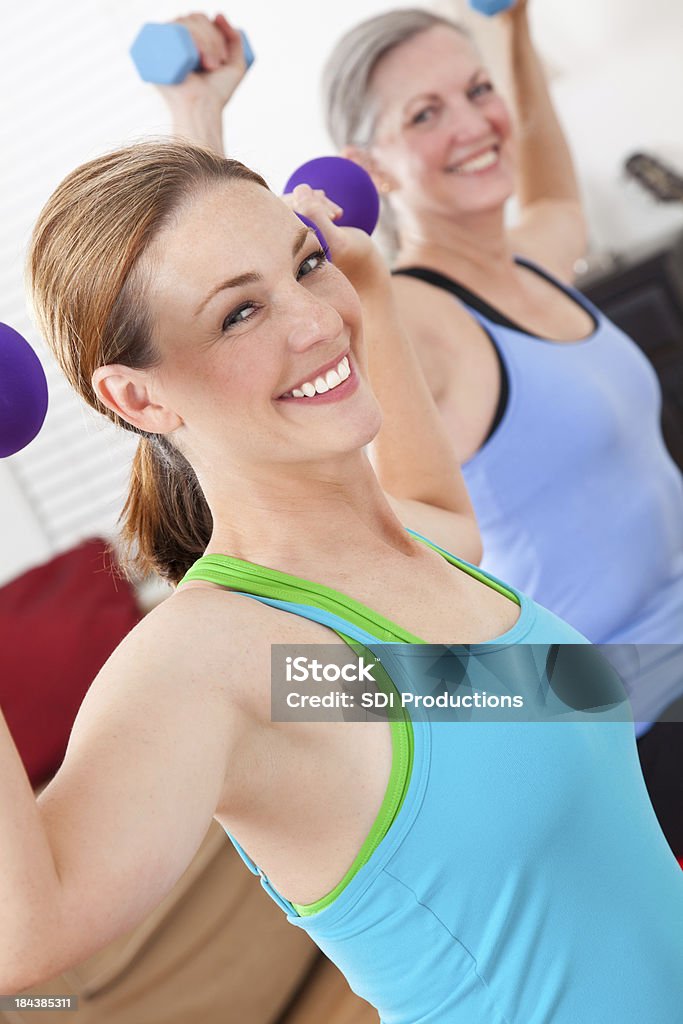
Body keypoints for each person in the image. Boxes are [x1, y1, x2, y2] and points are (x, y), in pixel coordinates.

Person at [1, 137, 682, 1023]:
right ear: (138, 400)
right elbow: (26, 935)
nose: (317, 320)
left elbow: (442, 509)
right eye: (238, 314)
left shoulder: (407, 564)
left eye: (303, 265)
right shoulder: (224, 658)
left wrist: (367, 279)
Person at [152, 8, 683, 857]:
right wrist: (194, 122)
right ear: (368, 170)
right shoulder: (413, 318)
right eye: (424, 114)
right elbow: (403, 533)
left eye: (477, 92)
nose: (473, 123)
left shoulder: (534, 255)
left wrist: (509, 28)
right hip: (631, 720)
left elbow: (547, 179)